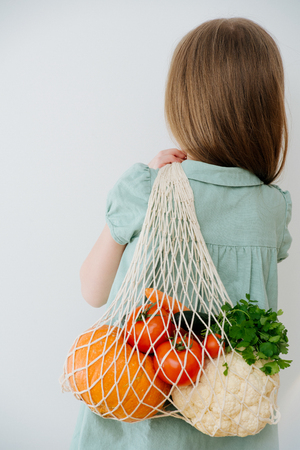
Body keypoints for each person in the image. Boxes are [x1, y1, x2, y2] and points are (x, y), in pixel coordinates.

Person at [70, 17, 292, 450]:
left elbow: (93, 292)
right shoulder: (273, 209)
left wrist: (144, 186)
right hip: (232, 422)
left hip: (136, 417)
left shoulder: (146, 190)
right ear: (268, 109)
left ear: (183, 101)